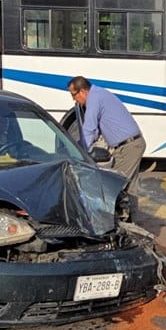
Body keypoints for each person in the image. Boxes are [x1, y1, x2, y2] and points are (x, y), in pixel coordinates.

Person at [67, 75, 146, 222]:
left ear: (83, 91)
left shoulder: (94, 99)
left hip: (128, 147)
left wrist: (79, 153)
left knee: (114, 186)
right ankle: (133, 223)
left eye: (74, 95)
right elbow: (95, 132)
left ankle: (111, 224)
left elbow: (89, 129)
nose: (74, 100)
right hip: (132, 144)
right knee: (130, 188)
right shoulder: (99, 94)